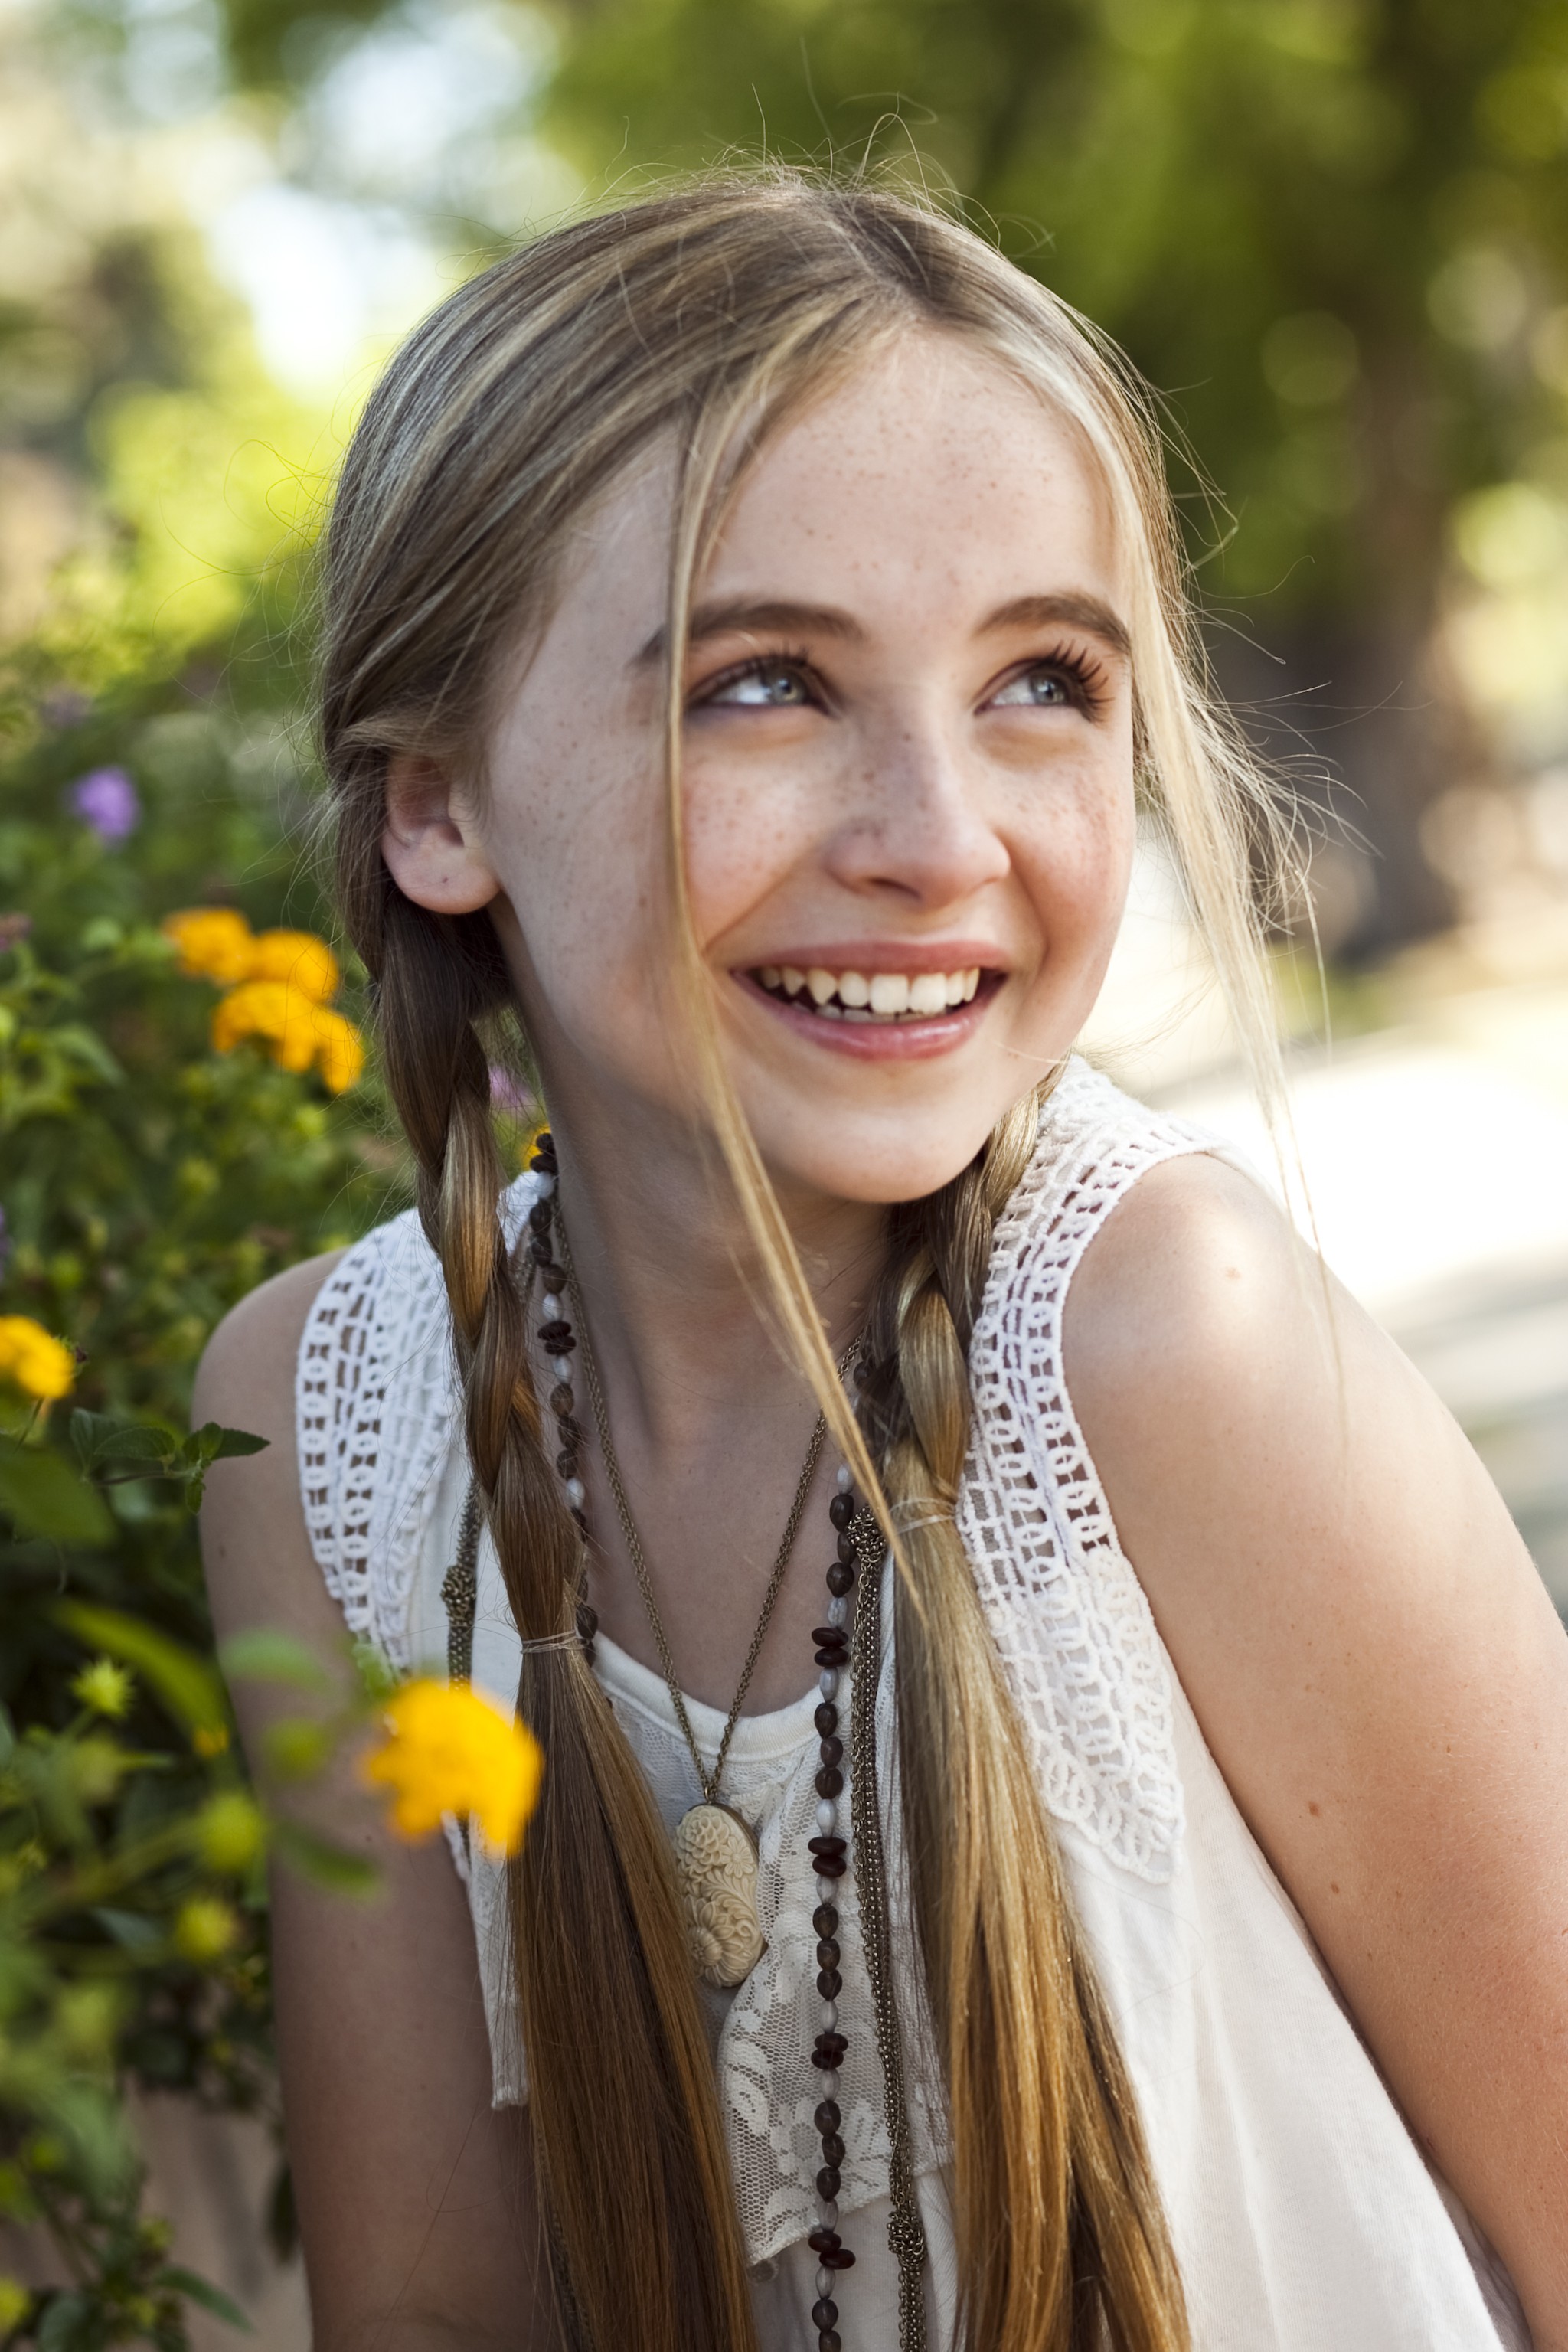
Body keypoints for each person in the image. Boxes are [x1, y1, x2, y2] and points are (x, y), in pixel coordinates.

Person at [194, 175, 1568, 2352]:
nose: (937, 837)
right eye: (763, 687)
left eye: (1042, 678)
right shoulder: (324, 1436)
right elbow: (437, 2311)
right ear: (434, 805)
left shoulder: (1153, 1348)